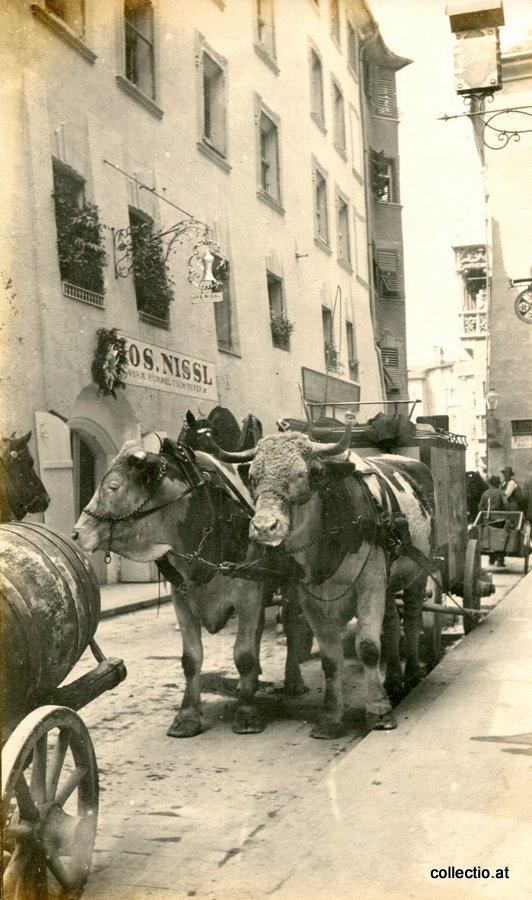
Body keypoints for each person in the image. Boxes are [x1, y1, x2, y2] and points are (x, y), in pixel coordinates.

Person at [479, 476, 508, 567]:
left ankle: (491, 557)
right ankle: (500, 559)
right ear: (497, 484)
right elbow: (506, 504)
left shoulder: (485, 494)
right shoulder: (501, 493)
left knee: (489, 535)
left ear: (490, 483)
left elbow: (480, 507)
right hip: (500, 521)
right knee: (503, 534)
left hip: (488, 520)